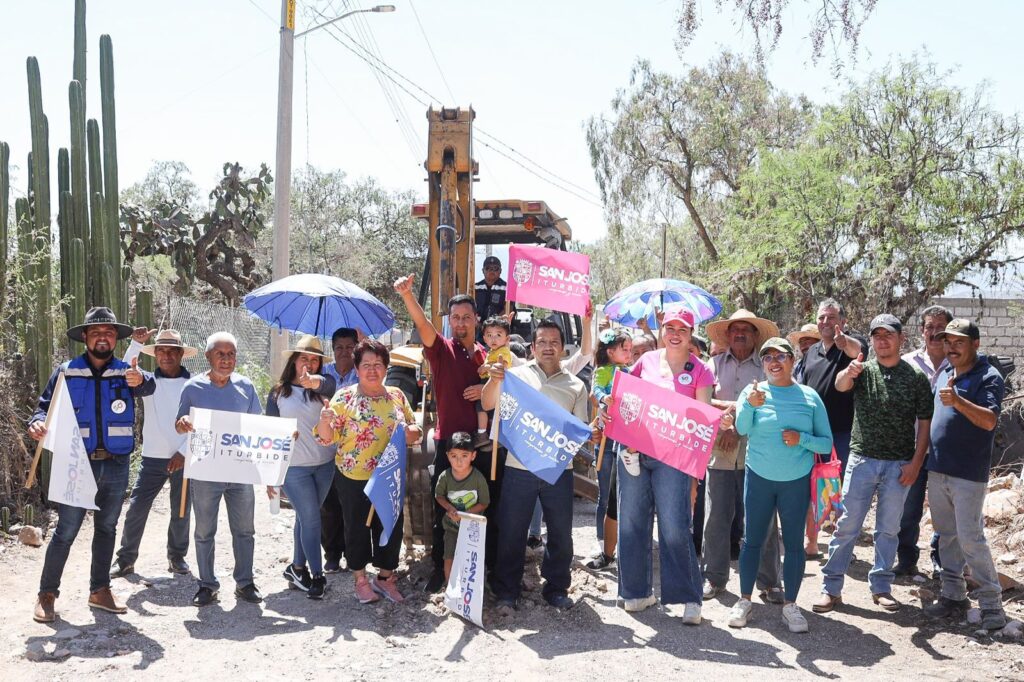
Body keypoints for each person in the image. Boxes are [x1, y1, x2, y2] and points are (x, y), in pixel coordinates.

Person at [29, 307, 154, 623]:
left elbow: (148, 385)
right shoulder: (67, 371)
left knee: (107, 528)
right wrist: (37, 423)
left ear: (115, 338)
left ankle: (99, 590)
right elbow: (43, 408)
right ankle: (47, 594)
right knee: (66, 530)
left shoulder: (127, 371)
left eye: (109, 332)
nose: (103, 336)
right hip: (76, 464)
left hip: (115, 464)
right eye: (96, 331)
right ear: (84, 336)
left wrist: (143, 378)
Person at [813, 315, 933, 615]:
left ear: (900, 339)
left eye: (888, 335)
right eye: (877, 335)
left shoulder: (915, 377)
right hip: (862, 460)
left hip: (898, 465)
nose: (882, 340)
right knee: (846, 526)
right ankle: (831, 588)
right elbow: (841, 386)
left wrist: (916, 462)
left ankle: (881, 587)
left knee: (888, 530)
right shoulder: (862, 370)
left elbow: (924, 423)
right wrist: (848, 372)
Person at [482, 320, 594, 613]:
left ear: (562, 347)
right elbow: (487, 403)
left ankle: (556, 588)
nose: (548, 347)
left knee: (560, 532)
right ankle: (507, 590)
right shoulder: (513, 376)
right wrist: (494, 381)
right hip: (518, 468)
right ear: (532, 347)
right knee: (512, 531)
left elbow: (579, 428)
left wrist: (592, 431)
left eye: (554, 342)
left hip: (559, 470)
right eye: (542, 341)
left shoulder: (576, 385)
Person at [612, 310, 712, 623]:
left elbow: (703, 420)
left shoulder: (701, 371)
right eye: (670, 327)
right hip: (634, 451)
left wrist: (696, 475)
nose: (675, 334)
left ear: (692, 332)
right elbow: (628, 398)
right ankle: (636, 593)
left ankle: (690, 598)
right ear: (661, 329)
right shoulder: (646, 361)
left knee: (674, 525)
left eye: (682, 329)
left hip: (674, 460)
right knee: (631, 522)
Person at [394, 273, 492, 593]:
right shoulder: (440, 350)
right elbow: (423, 326)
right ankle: (441, 569)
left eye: (467, 317)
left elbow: (505, 388)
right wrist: (409, 296)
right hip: (447, 441)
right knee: (444, 511)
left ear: (476, 319)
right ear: (450, 322)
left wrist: (485, 388)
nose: (461, 323)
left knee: (480, 507)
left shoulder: (486, 356)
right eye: (456, 318)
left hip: (481, 445)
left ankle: (478, 569)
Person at [730, 338, 833, 633]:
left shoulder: (810, 397)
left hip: (795, 481)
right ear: (762, 364)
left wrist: (801, 439)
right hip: (759, 476)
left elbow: (825, 443)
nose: (774, 362)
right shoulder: (753, 393)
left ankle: (791, 605)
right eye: (767, 357)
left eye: (781, 356)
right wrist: (749, 406)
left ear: (792, 360)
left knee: (794, 545)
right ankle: (745, 600)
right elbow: (741, 429)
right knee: (752, 540)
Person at [315, 339, 423, 604]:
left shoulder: (396, 395)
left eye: (378, 364)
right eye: (366, 365)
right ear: (357, 368)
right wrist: (324, 421)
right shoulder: (344, 397)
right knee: (356, 527)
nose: (372, 370)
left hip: (390, 476)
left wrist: (412, 432)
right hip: (354, 477)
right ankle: (361, 579)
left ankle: (385, 577)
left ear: (386, 368)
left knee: (390, 525)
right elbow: (326, 438)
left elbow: (414, 431)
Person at [923, 319, 1007, 630]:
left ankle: (991, 604)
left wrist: (958, 401)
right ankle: (953, 595)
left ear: (975, 344)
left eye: (959, 342)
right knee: (946, 537)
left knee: (971, 538)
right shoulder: (944, 372)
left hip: (968, 474)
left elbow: (988, 421)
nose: (952, 347)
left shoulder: (989, 376)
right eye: (948, 342)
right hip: (939, 469)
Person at [175, 332, 263, 607]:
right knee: (204, 531)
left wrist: (283, 439)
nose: (226, 360)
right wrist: (184, 423)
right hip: (205, 471)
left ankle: (245, 583)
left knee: (245, 530)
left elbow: (259, 426)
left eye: (231, 354)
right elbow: (179, 422)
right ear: (208, 356)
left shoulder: (246, 387)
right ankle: (207, 585)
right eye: (220, 354)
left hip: (240, 471)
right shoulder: (192, 388)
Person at [702, 310, 784, 603]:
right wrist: (732, 412)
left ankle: (770, 582)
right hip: (720, 452)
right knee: (716, 518)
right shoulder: (711, 365)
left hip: (757, 452)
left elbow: (775, 400)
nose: (739, 334)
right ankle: (713, 578)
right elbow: (700, 400)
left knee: (762, 519)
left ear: (754, 335)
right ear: (728, 335)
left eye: (745, 330)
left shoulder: (767, 366)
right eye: (734, 329)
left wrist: (737, 420)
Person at [111, 328, 197, 580]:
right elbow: (125, 374)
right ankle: (126, 560)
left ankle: (177, 557)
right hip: (152, 457)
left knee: (180, 509)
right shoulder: (148, 382)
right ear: (155, 354)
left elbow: (200, 422)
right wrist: (136, 345)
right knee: (137, 508)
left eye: (172, 351)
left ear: (181, 354)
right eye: (161, 350)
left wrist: (183, 452)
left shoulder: (193, 384)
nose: (166, 356)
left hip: (184, 456)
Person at [266, 335, 337, 600]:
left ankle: (296, 568)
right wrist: (270, 478)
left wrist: (314, 383)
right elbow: (270, 436)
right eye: (303, 358)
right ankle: (317, 576)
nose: (309, 363)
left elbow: (329, 385)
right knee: (311, 519)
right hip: (294, 469)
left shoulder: (326, 386)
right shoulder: (277, 393)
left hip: (325, 464)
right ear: (293, 361)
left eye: (314, 359)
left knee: (305, 518)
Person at [798, 299, 868, 556]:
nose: (825, 322)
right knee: (810, 487)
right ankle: (812, 541)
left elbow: (856, 350)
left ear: (843, 322)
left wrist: (844, 343)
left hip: (842, 433)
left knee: (840, 491)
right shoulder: (810, 353)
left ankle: (840, 547)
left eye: (831, 317)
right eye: (821, 318)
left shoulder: (850, 345)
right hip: (810, 432)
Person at [895, 305, 953, 577]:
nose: (934, 332)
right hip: (911, 448)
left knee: (943, 511)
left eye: (940, 328)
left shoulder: (957, 364)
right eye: (929, 327)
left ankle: (941, 561)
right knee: (908, 509)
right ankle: (906, 559)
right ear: (921, 330)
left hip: (945, 450)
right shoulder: (906, 362)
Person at [585, 328, 633, 570]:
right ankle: (603, 542)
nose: (628, 353)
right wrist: (604, 399)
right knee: (606, 495)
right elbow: (596, 392)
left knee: (621, 496)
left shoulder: (630, 373)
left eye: (629, 349)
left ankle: (618, 544)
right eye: (624, 349)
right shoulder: (603, 371)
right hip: (606, 439)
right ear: (610, 351)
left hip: (625, 440)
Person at [320, 327, 360, 574]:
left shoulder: (363, 375)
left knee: (352, 506)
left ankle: (353, 554)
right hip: (325, 450)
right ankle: (332, 554)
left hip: (354, 451)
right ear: (332, 350)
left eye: (349, 347)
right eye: (339, 348)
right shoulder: (322, 375)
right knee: (328, 505)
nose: (344, 352)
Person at [434, 431, 491, 581]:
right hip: (451, 527)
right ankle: (450, 590)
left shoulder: (478, 478)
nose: (459, 461)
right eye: (454, 456)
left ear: (473, 456)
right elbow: (439, 496)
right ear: (447, 456)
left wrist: (464, 514)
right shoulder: (444, 477)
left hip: (473, 528)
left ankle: (471, 593)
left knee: (471, 560)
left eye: (464, 456)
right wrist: (450, 508)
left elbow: (484, 502)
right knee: (449, 557)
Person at [474, 316, 516, 449]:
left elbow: (502, 365)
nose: (494, 339)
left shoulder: (503, 351)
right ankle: (493, 436)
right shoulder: (492, 351)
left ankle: (482, 434)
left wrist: (485, 367)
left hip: (494, 382)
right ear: (484, 338)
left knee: (481, 406)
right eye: (489, 335)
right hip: (489, 379)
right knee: (491, 411)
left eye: (498, 335)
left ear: (507, 339)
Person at [474, 255, 507, 325]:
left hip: (499, 326)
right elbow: (470, 307)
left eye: (495, 268)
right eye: (488, 268)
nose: (492, 271)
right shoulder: (475, 287)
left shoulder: (507, 288)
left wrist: (494, 323)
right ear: (483, 270)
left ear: (500, 271)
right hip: (478, 326)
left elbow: (508, 309)